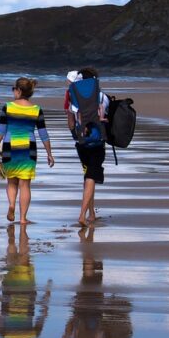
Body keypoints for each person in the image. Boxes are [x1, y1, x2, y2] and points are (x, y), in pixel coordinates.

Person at [0, 77, 54, 224]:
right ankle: (23, 218)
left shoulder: (8, 107)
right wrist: (49, 153)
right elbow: (43, 133)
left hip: (10, 147)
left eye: (14, 89)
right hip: (28, 148)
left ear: (19, 90)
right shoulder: (36, 110)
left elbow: (1, 130)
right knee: (25, 185)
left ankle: (12, 204)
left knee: (11, 182)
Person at [65, 67, 109, 226]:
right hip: (97, 142)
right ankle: (82, 215)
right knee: (91, 176)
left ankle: (91, 213)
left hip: (81, 142)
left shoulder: (74, 97)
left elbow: (70, 121)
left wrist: (75, 134)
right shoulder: (102, 96)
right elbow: (105, 118)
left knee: (88, 176)